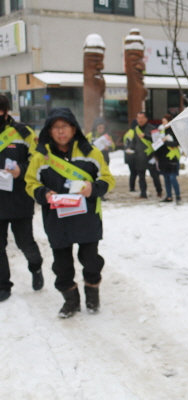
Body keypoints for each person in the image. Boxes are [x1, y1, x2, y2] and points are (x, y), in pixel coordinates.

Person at [25, 107, 115, 318]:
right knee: (62, 266)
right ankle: (70, 301)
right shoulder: (42, 157)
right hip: (57, 221)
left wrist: (92, 188)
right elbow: (30, 183)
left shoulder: (90, 153)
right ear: (49, 131)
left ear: (74, 129)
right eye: (55, 127)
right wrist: (44, 193)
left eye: (65, 126)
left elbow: (108, 179)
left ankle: (92, 295)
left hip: (87, 218)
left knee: (91, 261)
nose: (61, 131)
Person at [0, 94, 44, 302]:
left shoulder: (22, 132)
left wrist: (22, 170)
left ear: (4, 111)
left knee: (24, 242)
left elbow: (39, 158)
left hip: (19, 198)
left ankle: (35, 267)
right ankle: (3, 285)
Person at [127, 111, 162, 199]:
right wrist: (129, 148)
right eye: (138, 118)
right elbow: (134, 141)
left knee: (154, 176)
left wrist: (146, 136)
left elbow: (157, 142)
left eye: (142, 118)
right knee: (141, 176)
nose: (140, 120)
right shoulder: (136, 129)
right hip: (139, 157)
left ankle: (159, 190)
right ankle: (143, 193)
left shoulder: (152, 128)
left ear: (146, 118)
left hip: (150, 156)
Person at [155, 114, 182, 205]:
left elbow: (177, 143)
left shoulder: (175, 131)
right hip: (163, 157)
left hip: (172, 158)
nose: (163, 124)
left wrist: (165, 141)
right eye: (162, 122)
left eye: (164, 122)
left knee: (172, 177)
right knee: (166, 178)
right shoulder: (161, 132)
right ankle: (169, 196)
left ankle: (178, 196)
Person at [123, 119, 138, 192]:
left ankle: (132, 187)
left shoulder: (127, 133)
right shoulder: (134, 133)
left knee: (132, 172)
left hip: (127, 156)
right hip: (133, 156)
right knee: (134, 173)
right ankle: (132, 188)